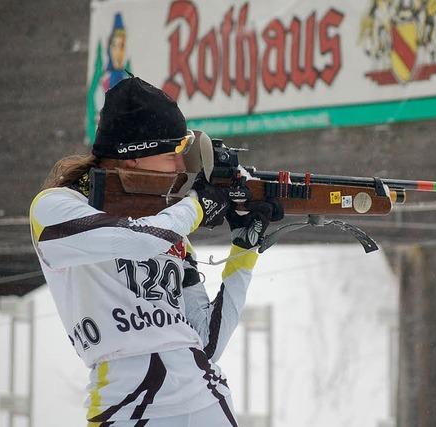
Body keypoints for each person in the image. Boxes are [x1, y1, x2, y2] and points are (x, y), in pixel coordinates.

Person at [29, 76, 281, 426]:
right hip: (125, 408)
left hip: (204, 397)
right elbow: (137, 240)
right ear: (132, 159)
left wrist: (244, 248)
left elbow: (206, 342)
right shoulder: (55, 208)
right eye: (171, 155)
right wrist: (197, 207)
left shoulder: (167, 228)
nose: (180, 168)